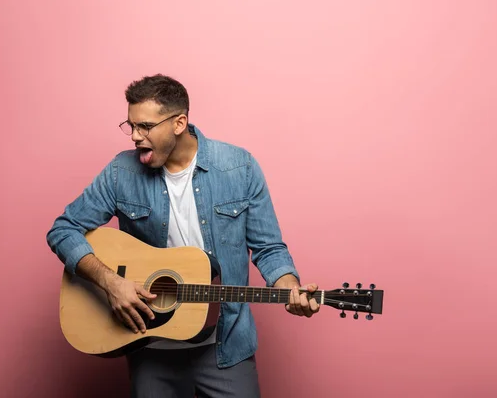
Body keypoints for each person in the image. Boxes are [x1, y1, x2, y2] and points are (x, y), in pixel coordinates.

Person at [46, 73, 320, 397]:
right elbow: (63, 229)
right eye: (130, 125)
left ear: (179, 123)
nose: (134, 136)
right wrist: (111, 283)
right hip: (151, 347)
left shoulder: (239, 168)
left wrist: (288, 287)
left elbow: (269, 246)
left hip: (225, 346)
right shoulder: (121, 172)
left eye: (145, 126)